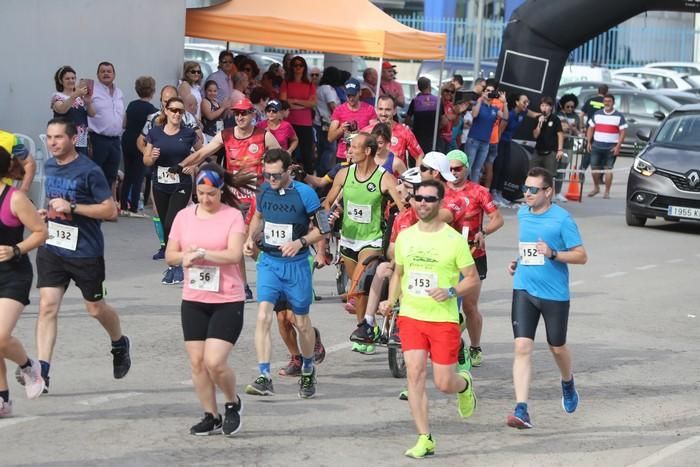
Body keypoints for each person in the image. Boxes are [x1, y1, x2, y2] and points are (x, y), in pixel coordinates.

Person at [30, 118, 131, 394]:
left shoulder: (90, 171)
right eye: (49, 137)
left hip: (85, 251)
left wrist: (72, 206)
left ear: (73, 139)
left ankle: (119, 342)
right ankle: (43, 372)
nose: (52, 143)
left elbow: (111, 211)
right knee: (47, 306)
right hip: (52, 247)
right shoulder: (50, 165)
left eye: (58, 138)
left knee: (95, 309)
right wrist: (48, 213)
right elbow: (55, 203)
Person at [379, 179, 479, 458]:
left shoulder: (454, 240)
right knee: (415, 373)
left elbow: (471, 280)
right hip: (411, 316)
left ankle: (465, 384)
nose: (423, 203)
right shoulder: (406, 237)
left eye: (430, 199)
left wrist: (450, 290)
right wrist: (391, 300)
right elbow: (399, 272)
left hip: (443, 319)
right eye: (418, 198)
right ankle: (425, 437)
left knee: (444, 383)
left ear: (440, 202)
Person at [166, 163, 248, 436]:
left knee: (215, 361)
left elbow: (234, 255)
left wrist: (202, 254)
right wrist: (183, 258)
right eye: (200, 193)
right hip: (194, 298)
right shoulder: (184, 216)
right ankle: (210, 415)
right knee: (198, 362)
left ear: (220, 190)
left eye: (210, 194)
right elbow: (171, 255)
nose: (205, 199)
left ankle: (232, 403)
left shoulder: (233, 216)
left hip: (227, 298)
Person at [506, 167, 587, 429]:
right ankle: (522, 409)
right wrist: (517, 263)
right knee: (522, 347)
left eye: (533, 189)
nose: (527, 194)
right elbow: (528, 250)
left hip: (554, 294)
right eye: (525, 189)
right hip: (524, 289)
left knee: (557, 346)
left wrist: (553, 254)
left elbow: (581, 256)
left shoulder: (562, 219)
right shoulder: (522, 214)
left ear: (548, 191)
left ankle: (567, 382)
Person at [243, 149, 328, 398]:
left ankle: (308, 369)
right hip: (269, 262)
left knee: (301, 323)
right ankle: (264, 375)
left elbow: (323, 228)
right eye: (267, 175)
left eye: (276, 175)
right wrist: (250, 239)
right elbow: (258, 216)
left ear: (288, 171)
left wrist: (300, 242)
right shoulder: (263, 190)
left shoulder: (305, 193)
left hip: (297, 265)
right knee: (263, 316)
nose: (271, 179)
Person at [177, 97, 280, 301]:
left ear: (252, 114)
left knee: (248, 244)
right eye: (237, 113)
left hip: (257, 196)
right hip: (233, 196)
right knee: (236, 240)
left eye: (244, 113)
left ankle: (274, 274)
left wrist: (278, 183)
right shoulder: (225, 135)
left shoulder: (264, 136)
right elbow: (203, 152)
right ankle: (244, 285)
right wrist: (180, 166)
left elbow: (282, 160)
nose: (240, 117)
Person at [323, 132, 404, 354]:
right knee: (359, 292)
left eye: (355, 147)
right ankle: (368, 329)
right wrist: (324, 229)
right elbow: (327, 203)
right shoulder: (343, 174)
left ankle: (369, 322)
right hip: (348, 240)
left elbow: (403, 209)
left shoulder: (384, 177)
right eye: (349, 147)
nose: (350, 151)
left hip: (372, 241)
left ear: (367, 151)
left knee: (357, 285)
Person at [0, 145, 48, 417]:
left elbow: (41, 232)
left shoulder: (14, 199)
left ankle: (29, 366)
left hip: (13, 273)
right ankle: (3, 400)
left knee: (0, 336)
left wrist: (16, 249)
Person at [446, 149, 503, 367]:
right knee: (448, 303)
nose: (453, 172)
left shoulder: (478, 191)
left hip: (473, 253)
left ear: (466, 168)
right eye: (449, 169)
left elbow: (497, 219)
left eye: (457, 168)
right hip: (447, 256)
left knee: (469, 306)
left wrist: (484, 232)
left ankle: (475, 346)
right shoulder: (439, 191)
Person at [143, 97, 202, 284]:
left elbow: (203, 153)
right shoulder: (155, 133)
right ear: (166, 111)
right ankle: (173, 265)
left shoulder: (188, 133)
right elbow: (145, 160)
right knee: (165, 223)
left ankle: (178, 264)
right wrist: (151, 157)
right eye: (174, 110)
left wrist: (193, 166)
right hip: (160, 183)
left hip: (181, 184)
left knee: (172, 222)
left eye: (180, 111)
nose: (177, 114)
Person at [121, 76, 157, 216]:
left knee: (128, 173)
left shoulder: (131, 105)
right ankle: (134, 207)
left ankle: (123, 204)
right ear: (152, 91)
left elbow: (124, 123)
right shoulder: (152, 109)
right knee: (139, 174)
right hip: (140, 141)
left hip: (127, 139)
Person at [87, 61, 124, 193]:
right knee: (96, 173)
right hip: (98, 139)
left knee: (112, 174)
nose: (106, 74)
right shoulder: (92, 91)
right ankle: (93, 204)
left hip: (115, 140)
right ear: (98, 75)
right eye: (102, 71)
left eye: (109, 71)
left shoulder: (119, 92)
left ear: (114, 74)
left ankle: (106, 204)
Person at [363, 95, 424, 166]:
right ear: (376, 110)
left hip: (396, 176)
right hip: (373, 176)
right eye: (380, 109)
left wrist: (417, 175)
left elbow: (419, 155)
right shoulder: (367, 132)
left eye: (387, 110)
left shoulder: (404, 131)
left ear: (394, 111)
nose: (383, 113)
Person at [280, 56, 316, 174]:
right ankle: (288, 177)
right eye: (295, 65)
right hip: (290, 121)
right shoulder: (286, 82)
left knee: (307, 155)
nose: (298, 67)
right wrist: (303, 105)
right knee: (290, 153)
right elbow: (284, 101)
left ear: (304, 67)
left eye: (301, 65)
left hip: (305, 123)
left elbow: (312, 103)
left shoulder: (310, 84)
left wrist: (294, 100)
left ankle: (309, 180)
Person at [586, 94, 627, 199]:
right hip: (597, 145)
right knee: (594, 168)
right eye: (605, 101)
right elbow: (591, 128)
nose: (607, 103)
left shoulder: (619, 116)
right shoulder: (597, 114)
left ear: (613, 103)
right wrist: (589, 142)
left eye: (609, 101)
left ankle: (607, 192)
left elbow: (623, 132)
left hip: (611, 147)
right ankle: (596, 188)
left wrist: (618, 146)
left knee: (608, 169)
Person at [465, 82, 507, 183]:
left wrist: (505, 103)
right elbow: (474, 115)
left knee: (477, 169)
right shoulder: (478, 104)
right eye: (488, 91)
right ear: (484, 92)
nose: (490, 93)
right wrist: (480, 99)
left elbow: (505, 117)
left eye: (492, 92)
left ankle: (474, 193)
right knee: (468, 168)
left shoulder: (495, 108)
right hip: (473, 140)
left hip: (485, 143)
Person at [327, 78, 377, 162]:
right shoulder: (339, 110)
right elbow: (330, 138)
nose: (351, 98)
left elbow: (375, 134)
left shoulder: (369, 109)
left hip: (362, 154)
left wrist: (359, 132)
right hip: (343, 155)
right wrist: (341, 129)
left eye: (353, 95)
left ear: (360, 93)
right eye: (348, 95)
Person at [51, 65, 96, 157]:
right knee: (68, 164)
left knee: (81, 163)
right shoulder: (57, 96)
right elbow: (61, 109)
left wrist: (88, 102)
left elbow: (92, 114)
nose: (71, 81)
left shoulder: (80, 97)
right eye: (67, 78)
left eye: (73, 78)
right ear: (60, 81)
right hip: (65, 137)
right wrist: (74, 95)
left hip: (81, 137)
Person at [555, 94, 583, 203]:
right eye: (568, 107)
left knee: (562, 169)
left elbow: (579, 133)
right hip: (557, 146)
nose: (570, 109)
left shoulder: (576, 117)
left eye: (572, 107)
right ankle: (550, 191)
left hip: (569, 147)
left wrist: (574, 129)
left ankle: (558, 192)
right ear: (563, 105)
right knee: (554, 168)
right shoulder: (557, 114)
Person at [314, 67, 341, 176]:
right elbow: (332, 105)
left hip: (318, 122)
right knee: (330, 149)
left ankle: (320, 169)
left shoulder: (319, 88)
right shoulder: (328, 89)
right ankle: (324, 171)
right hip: (328, 123)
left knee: (321, 149)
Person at [532, 96, 565, 180]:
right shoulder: (538, 118)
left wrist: (560, 149)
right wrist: (539, 124)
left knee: (549, 177)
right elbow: (535, 135)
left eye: (546, 106)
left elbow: (560, 134)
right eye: (542, 105)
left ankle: (550, 192)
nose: (544, 108)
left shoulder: (555, 119)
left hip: (551, 152)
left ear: (551, 107)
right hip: (538, 150)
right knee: (533, 174)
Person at [404, 77, 439, 154]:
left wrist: (414, 125)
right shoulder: (437, 100)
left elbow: (407, 119)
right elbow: (442, 119)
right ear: (429, 86)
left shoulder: (415, 101)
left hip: (418, 134)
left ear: (419, 87)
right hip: (433, 135)